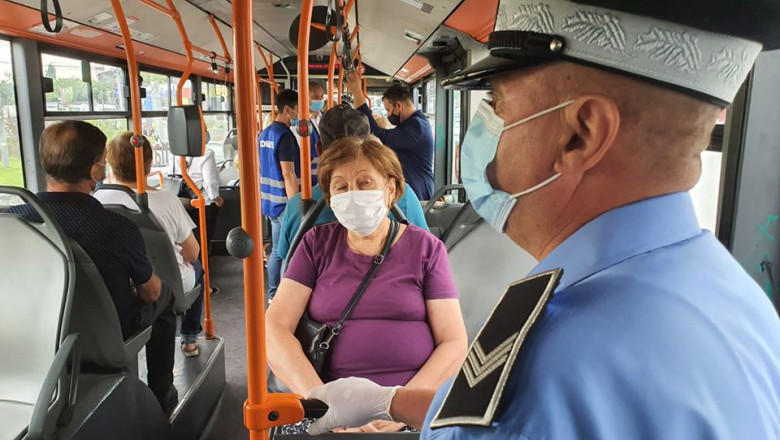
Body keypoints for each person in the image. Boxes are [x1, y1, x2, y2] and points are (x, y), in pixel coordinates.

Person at [305, 0, 780, 437]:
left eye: (500, 107)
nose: (484, 135)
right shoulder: (738, 301)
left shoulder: (547, 362)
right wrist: (391, 402)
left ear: (580, 135)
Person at [267, 137, 467, 433]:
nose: (353, 195)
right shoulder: (315, 245)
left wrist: (401, 408)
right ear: (331, 198)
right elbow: (275, 327)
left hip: (408, 409)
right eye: (341, 187)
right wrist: (324, 405)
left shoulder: (426, 250)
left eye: (364, 183)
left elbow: (454, 341)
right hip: (328, 407)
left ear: (391, 190)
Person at [6, 121, 178, 413]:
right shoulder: (116, 228)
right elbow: (150, 293)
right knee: (165, 296)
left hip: (32, 334)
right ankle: (161, 394)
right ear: (96, 171)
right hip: (107, 335)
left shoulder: (13, 222)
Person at [277, 103, 430, 264]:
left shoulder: (297, 206)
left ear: (319, 149)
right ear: (369, 145)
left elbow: (287, 259)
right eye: (342, 186)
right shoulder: (401, 194)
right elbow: (422, 251)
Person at [97, 132, 205, 357]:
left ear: (109, 163)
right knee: (199, 269)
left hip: (116, 286)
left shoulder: (97, 202)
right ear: (148, 163)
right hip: (168, 282)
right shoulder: (166, 200)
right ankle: (189, 338)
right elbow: (192, 252)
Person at [258, 89, 319, 298]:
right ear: (287, 110)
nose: (300, 116)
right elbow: (288, 173)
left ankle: (273, 294)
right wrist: (297, 206)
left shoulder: (264, 134)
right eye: (297, 111)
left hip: (269, 201)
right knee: (287, 251)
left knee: (276, 250)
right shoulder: (285, 137)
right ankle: (282, 295)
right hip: (284, 203)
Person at [347, 74, 434, 200]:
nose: (388, 115)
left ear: (398, 106)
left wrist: (357, 93)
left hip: (418, 190)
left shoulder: (417, 127)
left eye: (388, 110)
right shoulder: (411, 124)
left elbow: (380, 135)